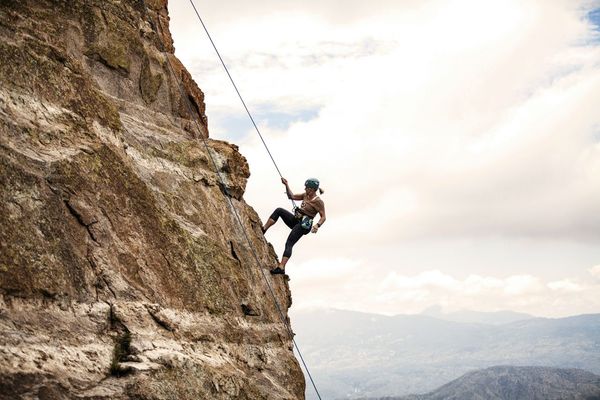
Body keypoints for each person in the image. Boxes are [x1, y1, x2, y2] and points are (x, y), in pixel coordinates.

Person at [262, 177, 326, 275]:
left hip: (304, 225)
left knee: (289, 243)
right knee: (279, 210)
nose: (305, 189)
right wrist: (286, 185)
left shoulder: (318, 202)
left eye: (307, 188)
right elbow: (291, 196)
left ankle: (281, 267)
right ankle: (264, 229)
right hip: (296, 220)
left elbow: (323, 217)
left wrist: (317, 225)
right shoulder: (305, 195)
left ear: (312, 190)